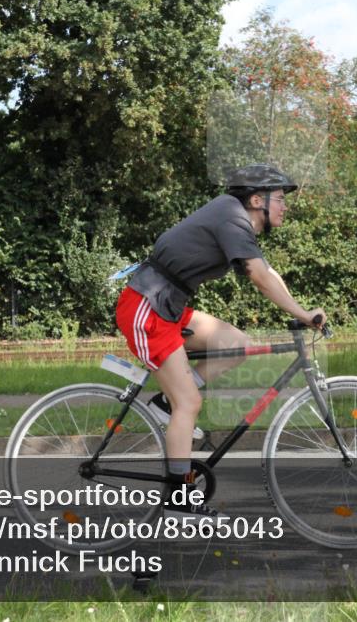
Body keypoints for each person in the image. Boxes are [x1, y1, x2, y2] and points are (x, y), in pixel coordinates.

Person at [115, 163, 326, 521]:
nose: (284, 206)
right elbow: (259, 276)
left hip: (167, 306)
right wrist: (305, 315)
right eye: (279, 199)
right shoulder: (231, 218)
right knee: (190, 403)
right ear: (256, 200)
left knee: (235, 342)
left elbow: (266, 271)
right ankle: (179, 500)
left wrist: (302, 311)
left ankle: (165, 404)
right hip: (146, 307)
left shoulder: (236, 219)